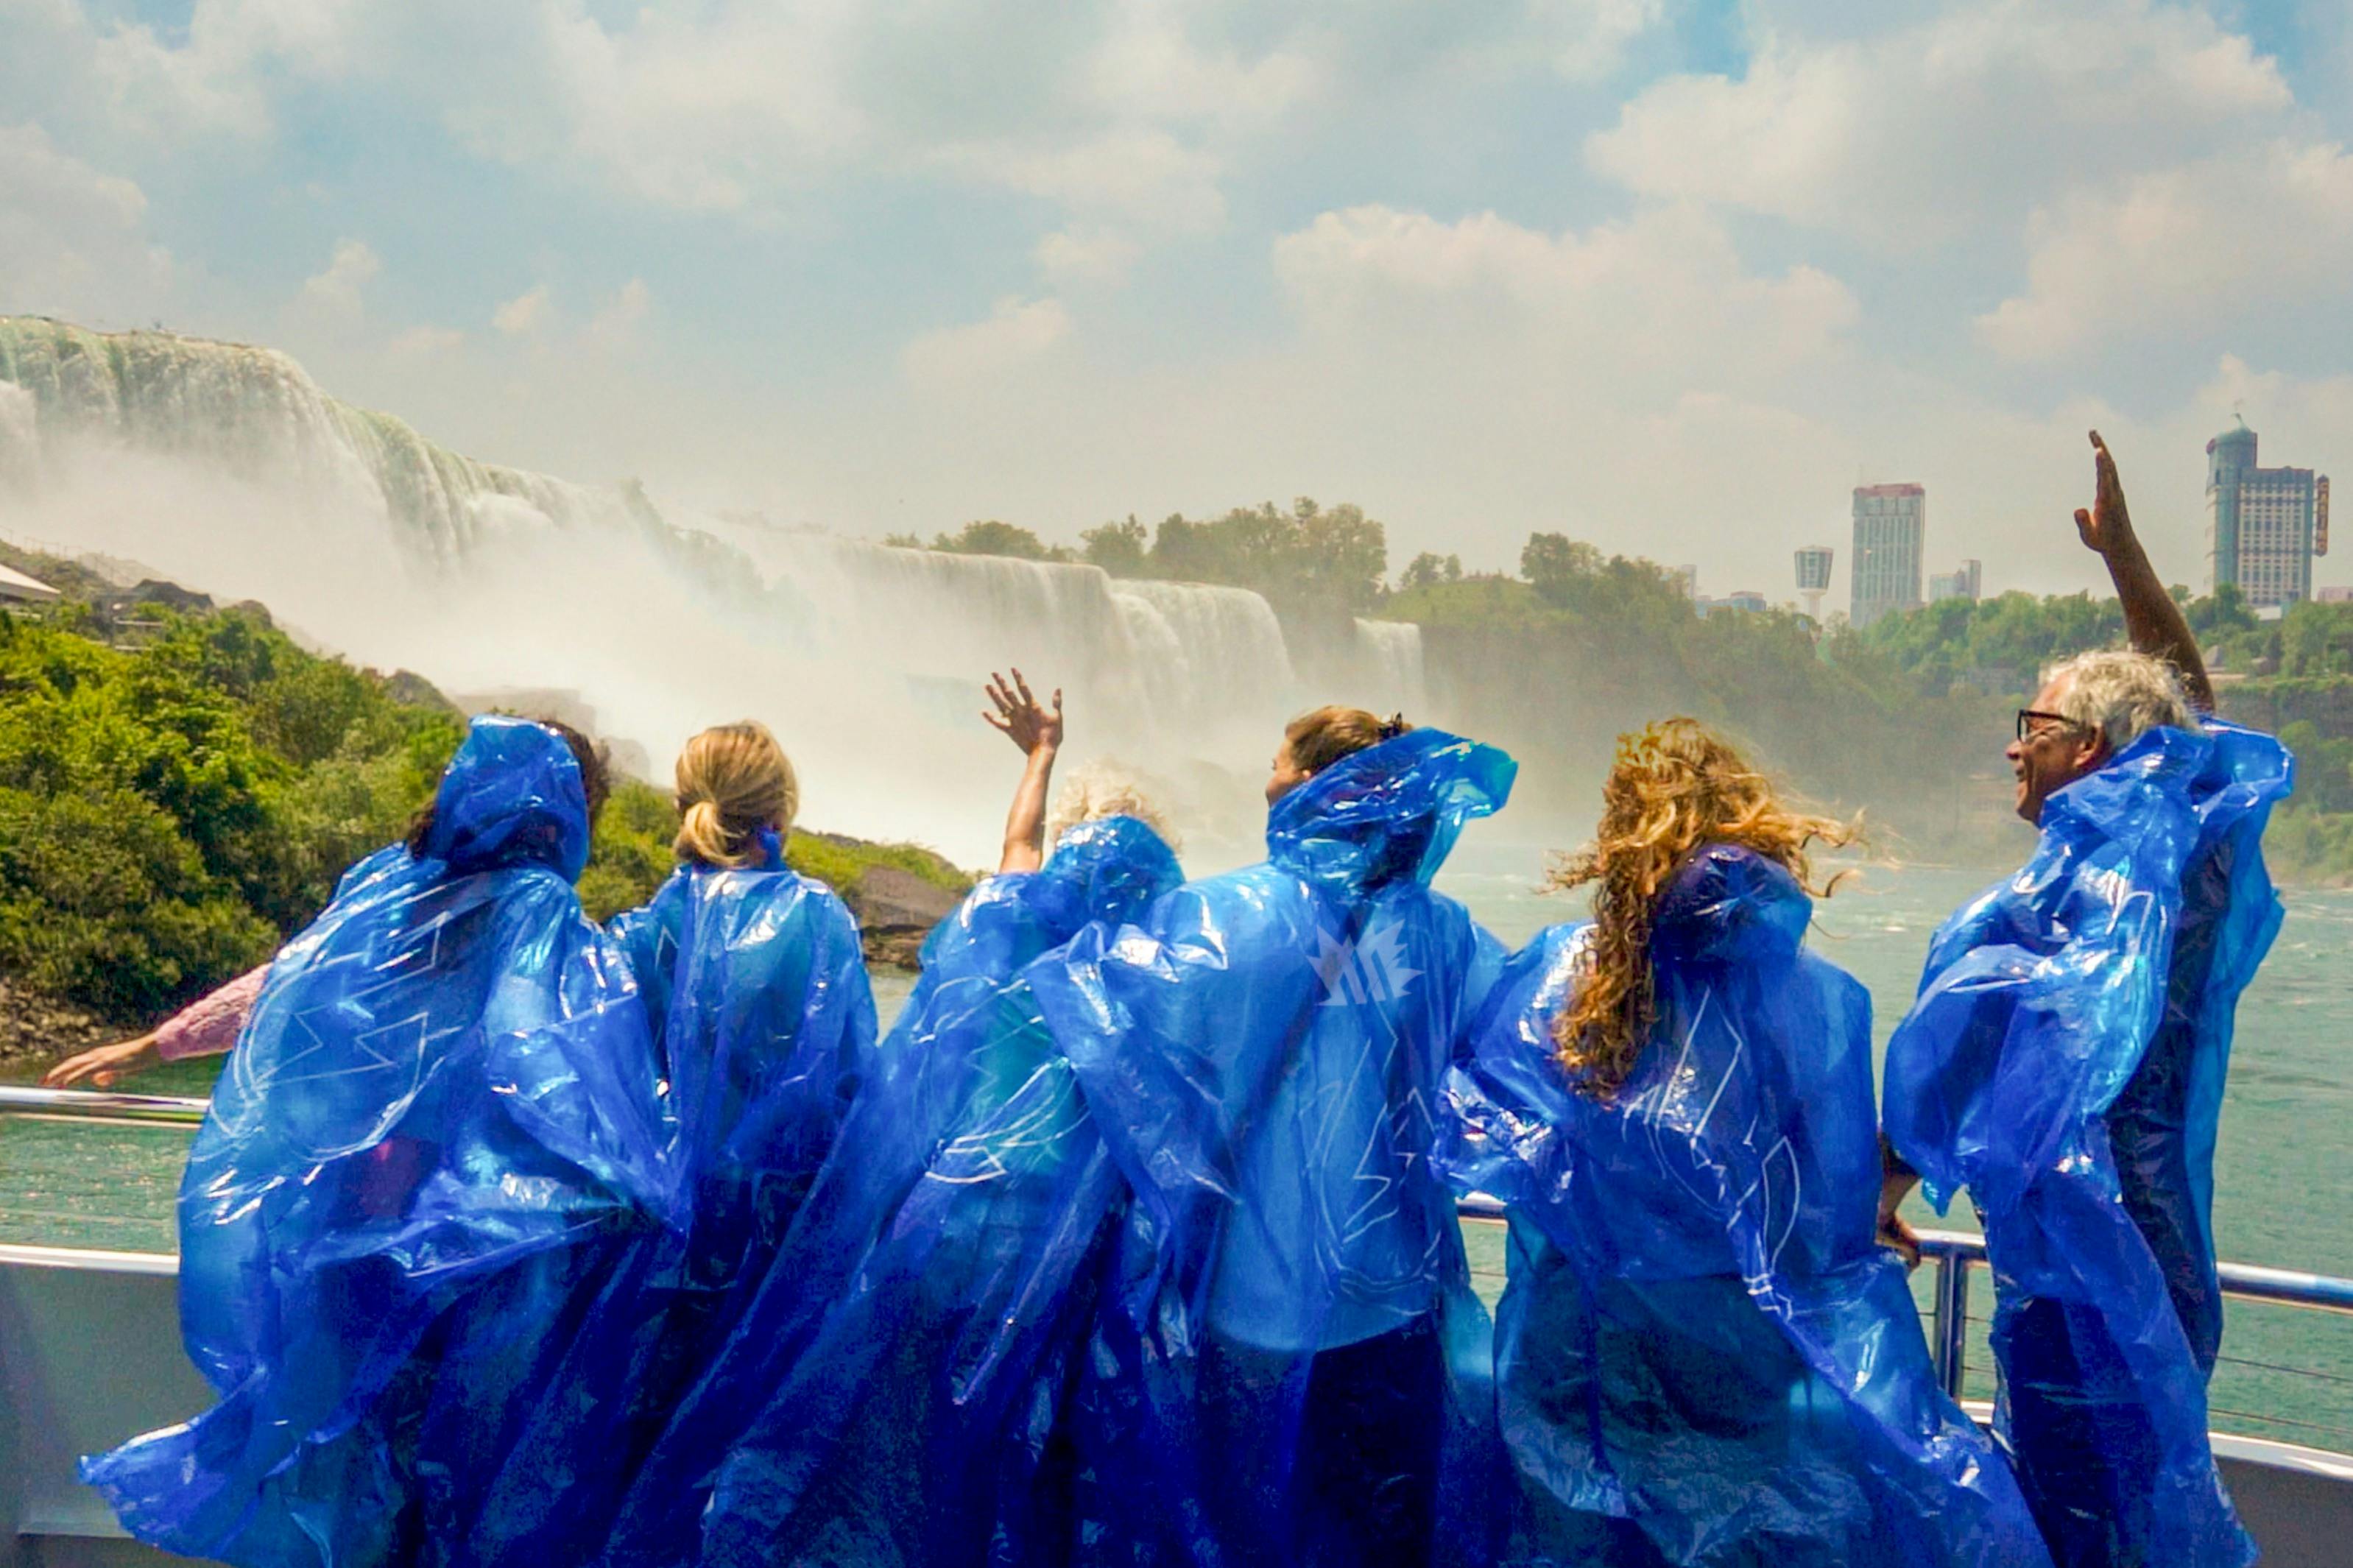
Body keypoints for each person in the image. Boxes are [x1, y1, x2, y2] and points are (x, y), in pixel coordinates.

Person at [1438, 720, 2051, 1567]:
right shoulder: (1813, 1000)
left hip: (1575, 1336)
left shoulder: (1565, 973)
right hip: (1735, 1342)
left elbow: (1491, 1129)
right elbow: (1820, 1193)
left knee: (1573, 1537)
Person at [80, 715, 682, 1568]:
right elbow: (533, 1045)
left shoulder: (386, 884)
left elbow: (286, 984)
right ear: (571, 811)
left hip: (354, 1203)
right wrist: (621, 1164)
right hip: (464, 1227)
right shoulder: (538, 908)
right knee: (449, 1459)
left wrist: (158, 1043)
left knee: (345, 1442)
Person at [1879, 433, 2293, 1567]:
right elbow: (2187, 712)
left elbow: (1953, 1063)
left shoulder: (2051, 906)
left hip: (2078, 1290)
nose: (2015, 747)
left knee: (2085, 1532)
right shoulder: (2190, 871)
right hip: (2161, 1265)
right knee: (2143, 1520)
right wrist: (2126, 561)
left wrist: (1873, 1191)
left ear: (2093, 749)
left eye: (2034, 725)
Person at [1006, 705, 1516, 1568]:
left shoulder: (1219, 919)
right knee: (1378, 1536)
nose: (1267, 778)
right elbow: (1526, 1050)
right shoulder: (1443, 932)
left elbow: (1080, 1006)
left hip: (1250, 1305)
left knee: (1249, 1533)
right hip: (1395, 1300)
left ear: (1319, 786)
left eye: (1280, 761)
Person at [459, 718, 877, 1562]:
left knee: (641, 1456)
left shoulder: (649, 928)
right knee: (745, 1466)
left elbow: (584, 1061)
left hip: (660, 1239)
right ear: (781, 813)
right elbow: (851, 1093)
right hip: (779, 1243)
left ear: (684, 808)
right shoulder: (818, 919)